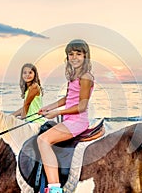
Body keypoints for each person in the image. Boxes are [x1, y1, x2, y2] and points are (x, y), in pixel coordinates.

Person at [37, 39, 94, 193]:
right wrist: (48, 108)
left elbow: (82, 106)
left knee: (42, 140)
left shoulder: (86, 77)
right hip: (69, 119)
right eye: (71, 54)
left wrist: (57, 113)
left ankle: (55, 188)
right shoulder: (74, 75)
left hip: (77, 121)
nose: (74, 57)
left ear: (85, 56)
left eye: (78, 54)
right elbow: (67, 99)